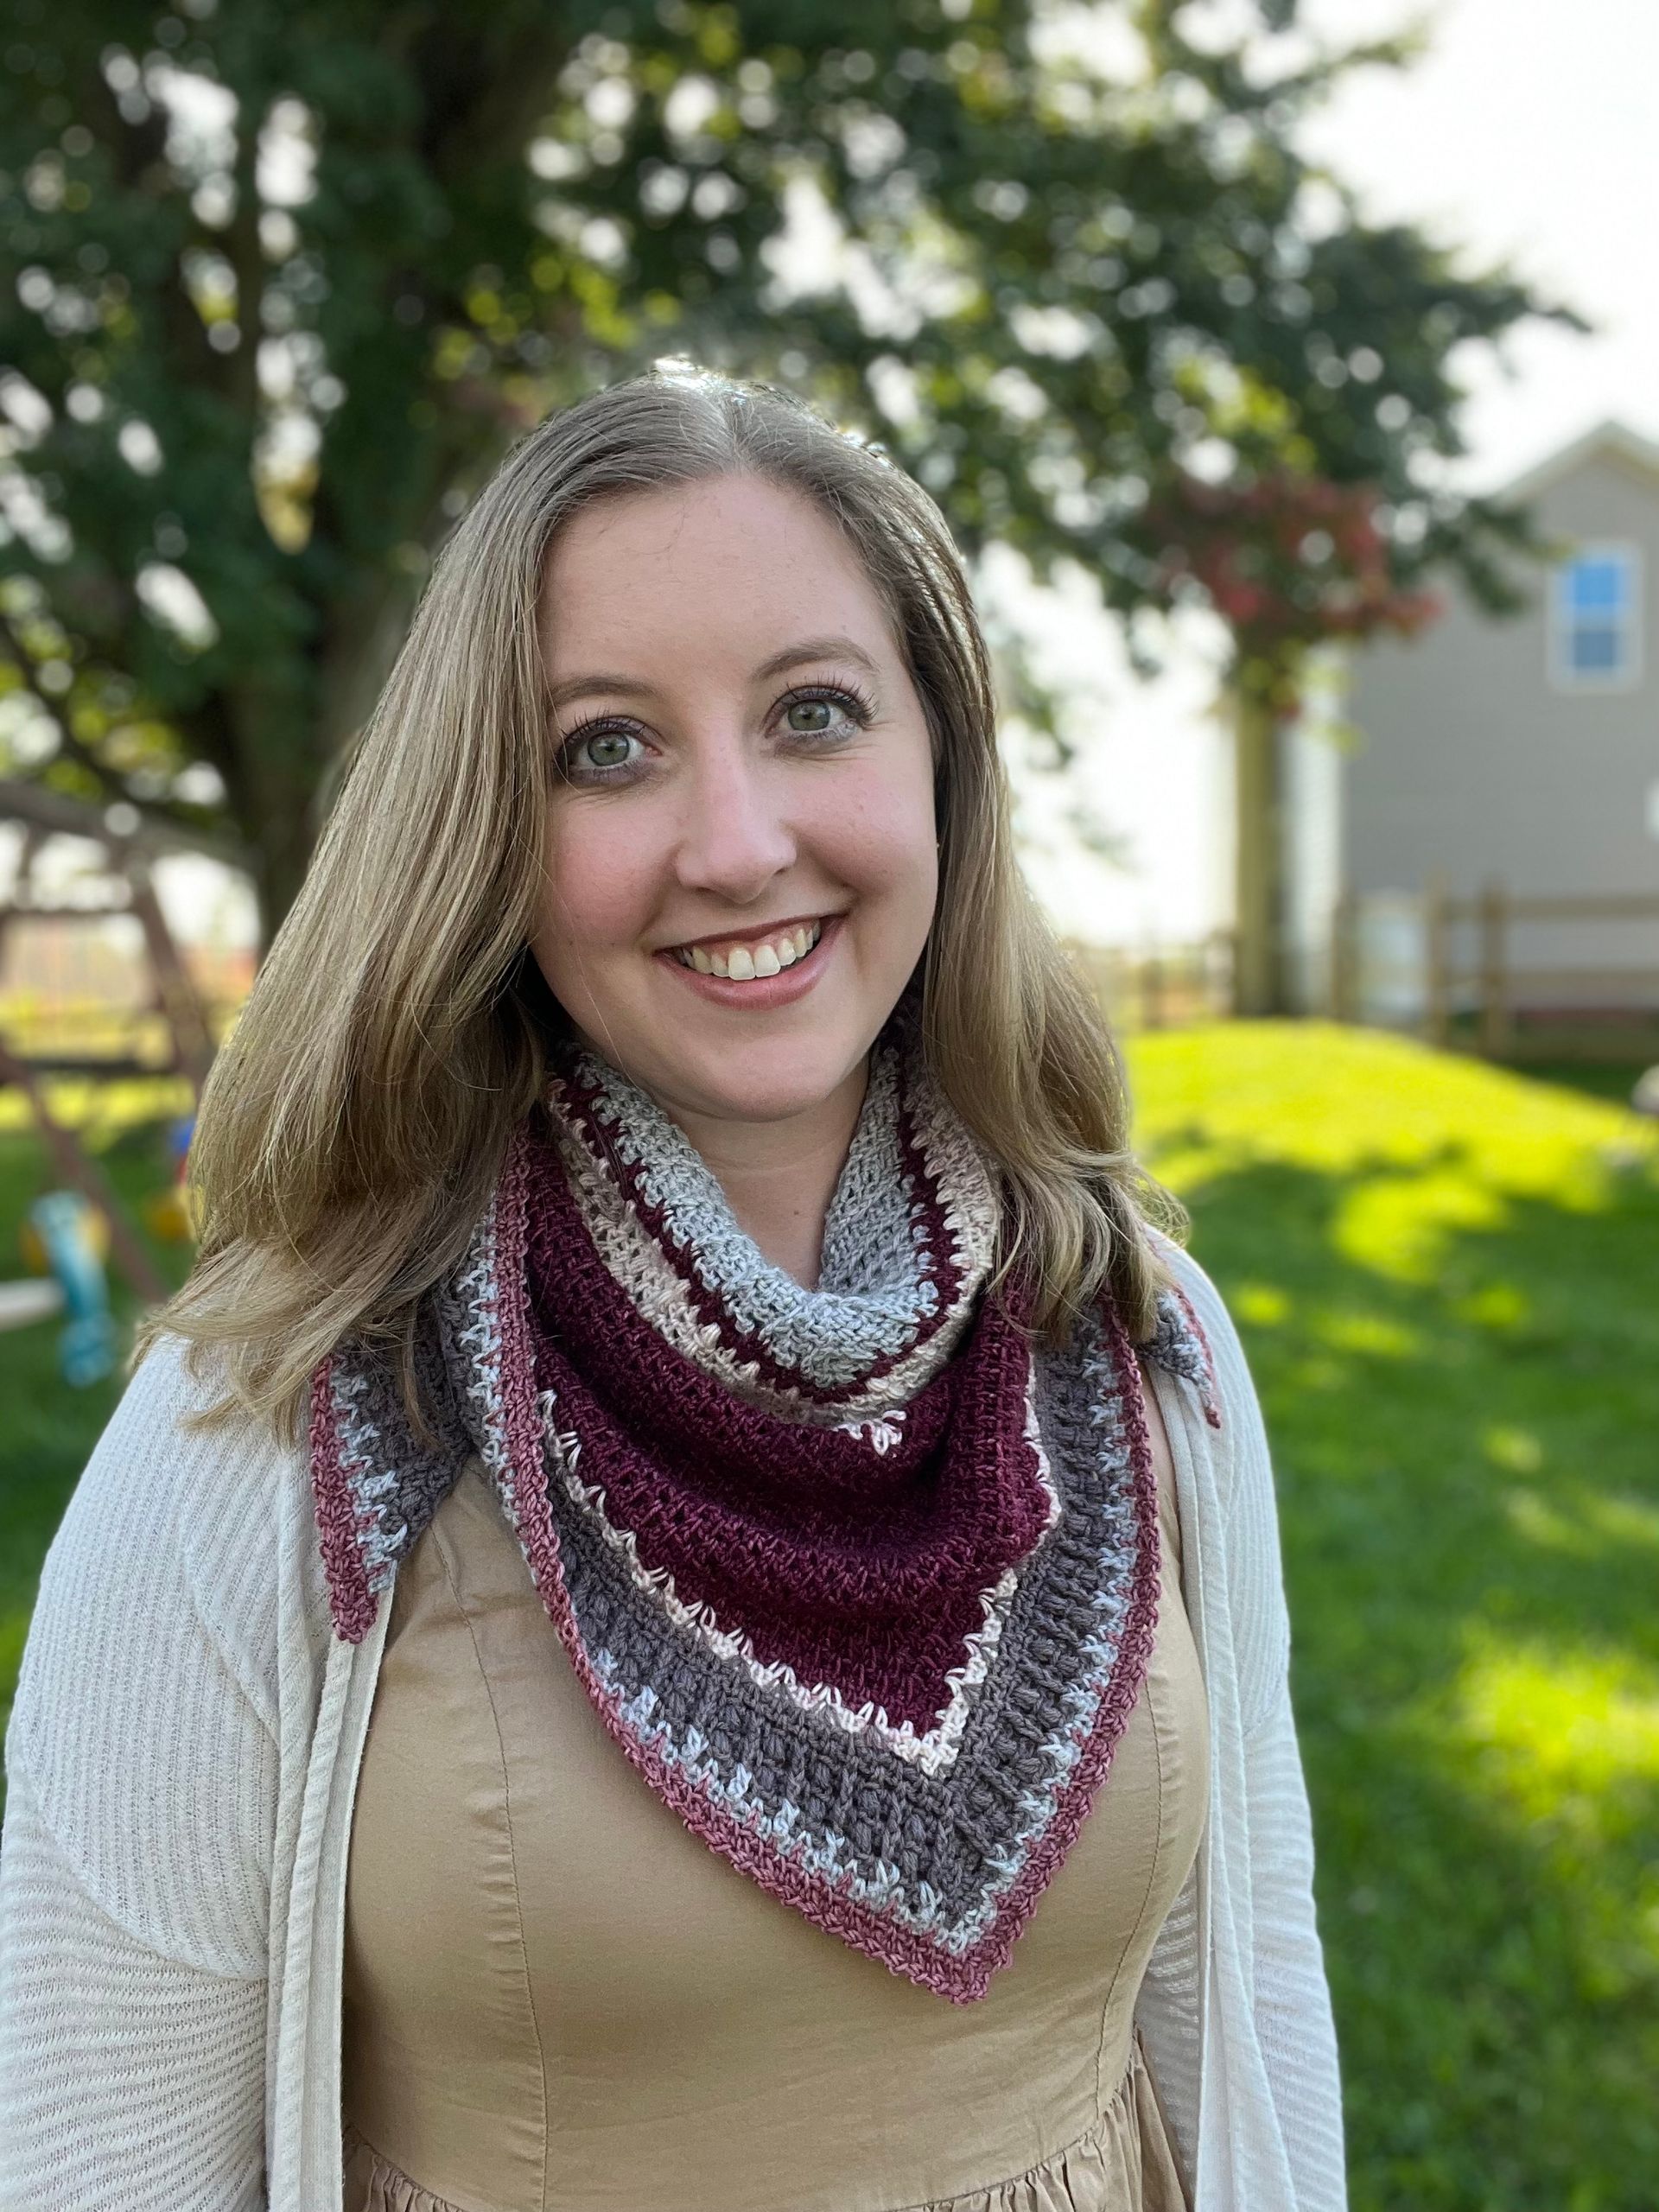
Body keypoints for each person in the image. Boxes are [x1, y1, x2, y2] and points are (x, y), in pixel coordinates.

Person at [0, 367, 1345, 2212]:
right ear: (490, 826)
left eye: (813, 713)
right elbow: (91, 2152)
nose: (735, 841)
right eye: (607, 748)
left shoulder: (1136, 1335)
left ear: (941, 759)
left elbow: (1251, 1983)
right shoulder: (285, 1405)